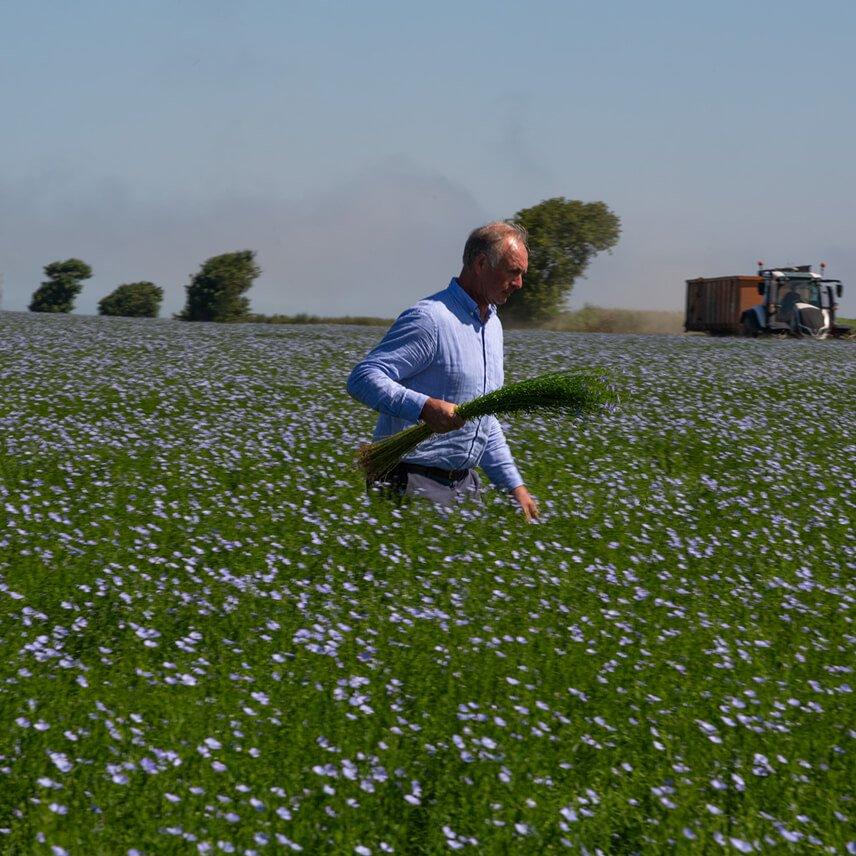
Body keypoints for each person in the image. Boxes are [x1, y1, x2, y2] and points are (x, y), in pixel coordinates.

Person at [347, 221, 540, 520]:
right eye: (513, 272)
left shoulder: (492, 326)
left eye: (522, 275)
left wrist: (514, 486)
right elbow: (363, 378)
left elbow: (484, 420)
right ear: (480, 264)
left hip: (465, 486)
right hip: (409, 480)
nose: (519, 284)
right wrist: (423, 408)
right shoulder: (430, 319)